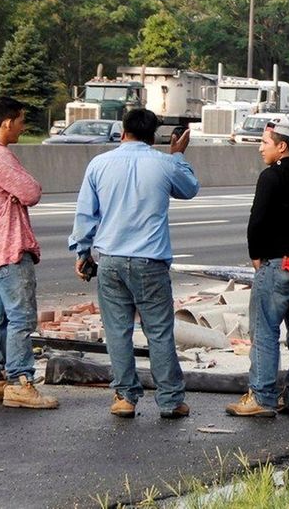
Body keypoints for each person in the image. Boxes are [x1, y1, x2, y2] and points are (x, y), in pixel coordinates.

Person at [68, 109, 198, 419]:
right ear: (154, 136)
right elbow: (190, 188)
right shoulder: (165, 164)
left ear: (122, 131)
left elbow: (86, 214)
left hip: (110, 261)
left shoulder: (99, 164)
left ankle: (125, 397)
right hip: (150, 262)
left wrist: (82, 252)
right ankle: (169, 401)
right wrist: (178, 155)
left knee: (117, 332)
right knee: (159, 333)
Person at [226, 117, 289, 418]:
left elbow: (256, 220)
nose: (260, 148)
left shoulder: (270, 177)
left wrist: (257, 256)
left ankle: (262, 397)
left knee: (265, 331)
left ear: (282, 146)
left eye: (265, 143)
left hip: (278, 264)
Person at [0, 96, 58, 409]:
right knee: (21, 317)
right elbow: (31, 192)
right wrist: (24, 187)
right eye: (20, 120)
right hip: (9, 245)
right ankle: (20, 381)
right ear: (7, 122)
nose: (23, 126)